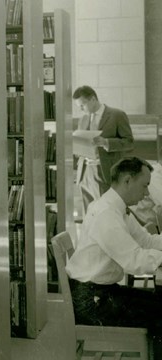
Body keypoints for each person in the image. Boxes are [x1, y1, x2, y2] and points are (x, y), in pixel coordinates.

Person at [66, 156, 162, 353]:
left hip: (104, 291)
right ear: (127, 181)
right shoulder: (107, 215)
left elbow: (147, 241)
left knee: (159, 298)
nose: (146, 194)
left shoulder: (115, 207)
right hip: (92, 302)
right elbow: (134, 262)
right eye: (144, 186)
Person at [73, 85, 134, 213]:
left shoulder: (117, 115)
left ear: (93, 99)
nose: (80, 109)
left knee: (106, 212)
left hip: (105, 171)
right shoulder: (83, 119)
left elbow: (129, 142)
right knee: (88, 214)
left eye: (82, 105)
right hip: (85, 173)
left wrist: (106, 142)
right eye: (79, 106)